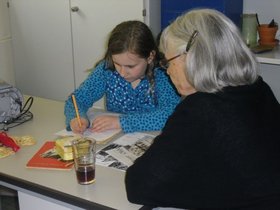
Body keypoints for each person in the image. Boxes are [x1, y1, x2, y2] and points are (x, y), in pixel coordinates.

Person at [125, 9, 280, 210]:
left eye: (168, 62)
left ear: (191, 57)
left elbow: (138, 185)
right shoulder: (258, 88)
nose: (168, 70)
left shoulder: (201, 108)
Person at [64, 20, 180, 134]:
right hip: (114, 140)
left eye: (130, 66)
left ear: (150, 57)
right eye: (118, 64)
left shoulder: (163, 74)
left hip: (153, 138)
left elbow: (171, 114)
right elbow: (77, 99)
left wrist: (121, 123)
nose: (122, 73)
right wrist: (77, 118)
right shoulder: (107, 69)